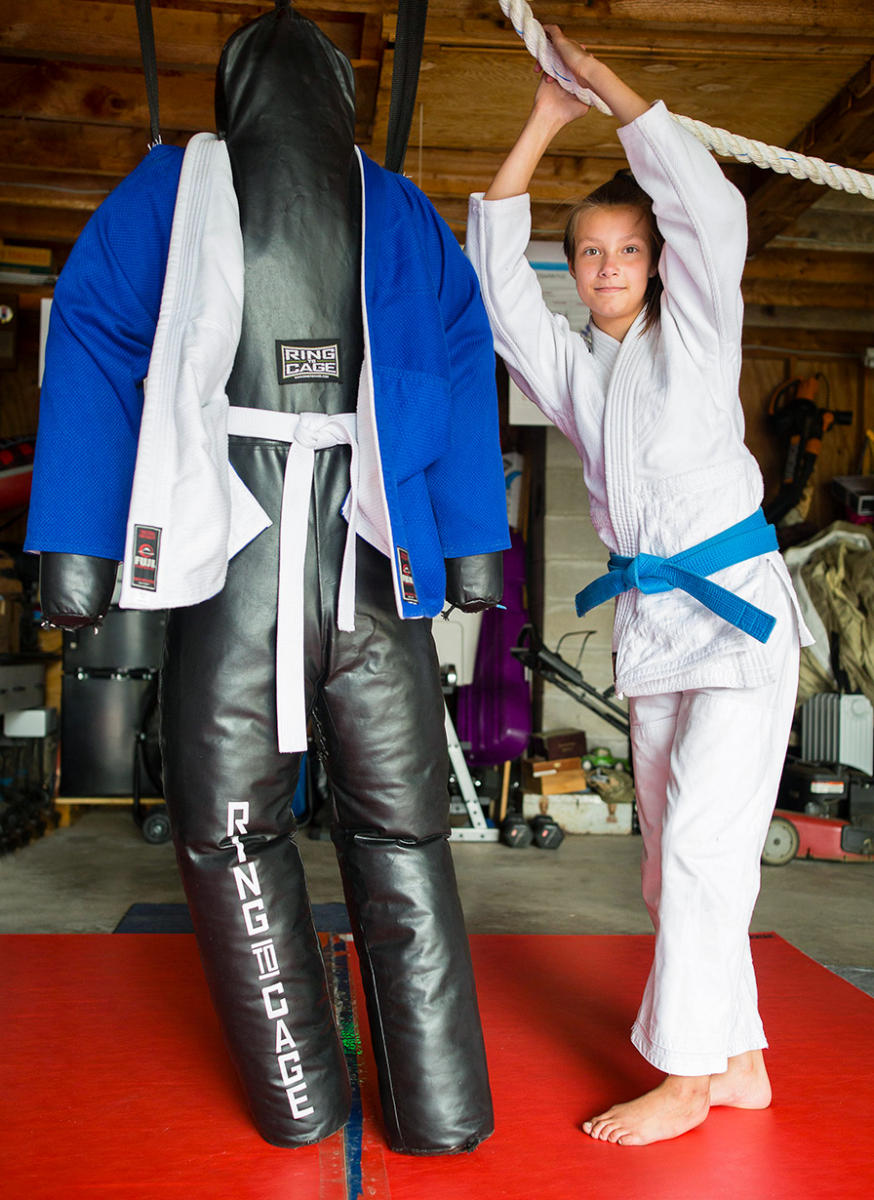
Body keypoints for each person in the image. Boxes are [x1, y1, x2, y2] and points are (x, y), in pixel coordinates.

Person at [26, 2, 506, 1155]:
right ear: (343, 94)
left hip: (244, 548)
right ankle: (441, 1115)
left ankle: (302, 1101)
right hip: (359, 543)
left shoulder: (165, 194)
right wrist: (471, 542)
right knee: (400, 832)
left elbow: (91, 341)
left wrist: (76, 552)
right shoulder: (394, 207)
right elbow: (458, 356)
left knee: (230, 831)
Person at [465, 26, 812, 1147]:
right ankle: (745, 1059)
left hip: (738, 620)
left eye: (627, 248)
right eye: (590, 253)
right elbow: (499, 290)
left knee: (707, 849)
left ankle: (684, 1075)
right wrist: (543, 118)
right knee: (670, 868)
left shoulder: (699, 333)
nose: (609, 266)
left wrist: (605, 88)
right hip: (655, 631)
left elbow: (711, 212)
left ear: (656, 262)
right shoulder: (579, 373)